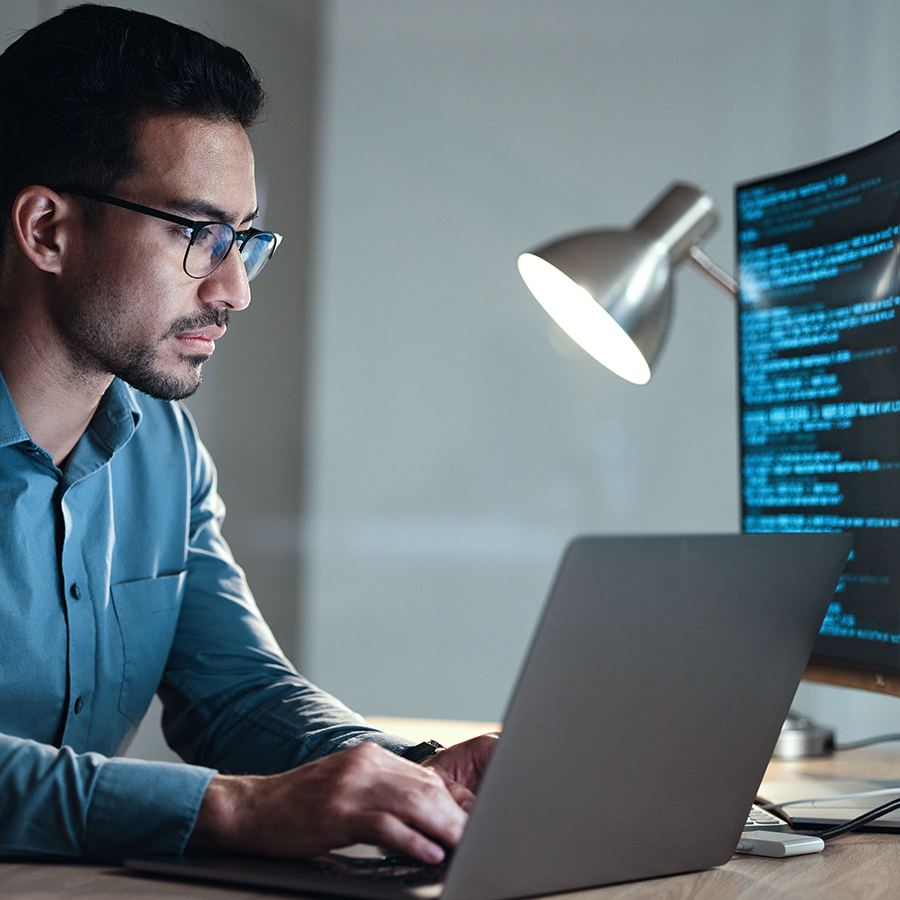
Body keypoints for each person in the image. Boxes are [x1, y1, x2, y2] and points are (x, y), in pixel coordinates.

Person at [0, 4, 495, 864]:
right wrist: (232, 810)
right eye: (200, 234)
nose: (235, 288)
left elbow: (238, 694)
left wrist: (412, 772)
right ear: (49, 229)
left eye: (245, 238)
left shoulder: (164, 448)